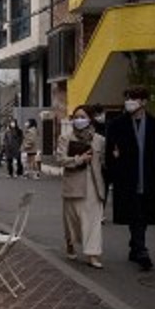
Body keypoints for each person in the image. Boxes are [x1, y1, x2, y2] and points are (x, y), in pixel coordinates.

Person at [104, 86, 155, 270]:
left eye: (133, 99)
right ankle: (141, 250)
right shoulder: (117, 124)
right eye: (127, 98)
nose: (129, 102)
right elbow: (109, 153)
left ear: (143, 102)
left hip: (150, 178)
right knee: (135, 213)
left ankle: (135, 245)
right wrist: (113, 173)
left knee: (145, 213)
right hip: (127, 178)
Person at [57, 106, 106, 268]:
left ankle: (93, 254)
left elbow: (104, 161)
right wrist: (79, 159)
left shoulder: (99, 139)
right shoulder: (65, 138)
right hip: (73, 185)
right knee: (72, 221)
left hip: (94, 185)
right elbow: (61, 159)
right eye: (76, 117)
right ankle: (70, 243)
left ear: (90, 119)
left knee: (93, 222)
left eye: (82, 116)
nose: (79, 120)